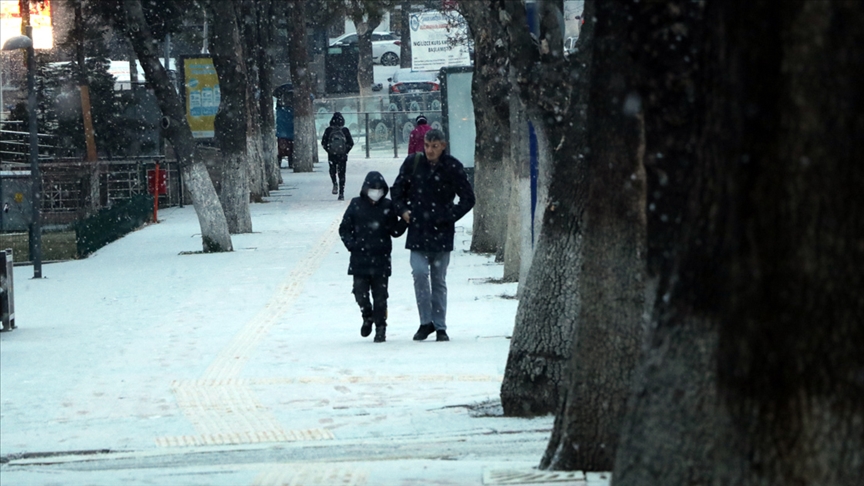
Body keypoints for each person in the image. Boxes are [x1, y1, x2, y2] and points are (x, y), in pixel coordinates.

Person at [390, 129, 475, 342]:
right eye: (427, 145)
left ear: (443, 145)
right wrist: (403, 211)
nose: (430, 150)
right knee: (419, 274)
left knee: (439, 280)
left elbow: (468, 198)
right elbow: (397, 191)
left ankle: (440, 326)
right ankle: (424, 322)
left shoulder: (452, 167)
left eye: (435, 146)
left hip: (441, 231)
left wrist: (450, 216)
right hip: (418, 229)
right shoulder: (413, 163)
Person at [339, 171, 407, 343]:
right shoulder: (356, 205)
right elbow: (344, 228)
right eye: (373, 188)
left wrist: (405, 221)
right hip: (360, 258)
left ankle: (381, 327)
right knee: (360, 292)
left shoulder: (387, 206)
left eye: (379, 189)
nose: (375, 192)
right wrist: (351, 245)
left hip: (381, 258)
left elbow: (395, 231)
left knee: (380, 296)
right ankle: (366, 314)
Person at [321, 112, 354, 200]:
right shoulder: (345, 130)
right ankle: (341, 193)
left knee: (332, 170)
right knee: (342, 173)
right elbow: (351, 143)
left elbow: (323, 143)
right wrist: (345, 151)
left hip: (332, 155)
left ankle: (334, 183)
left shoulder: (328, 130)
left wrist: (329, 150)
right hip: (342, 156)